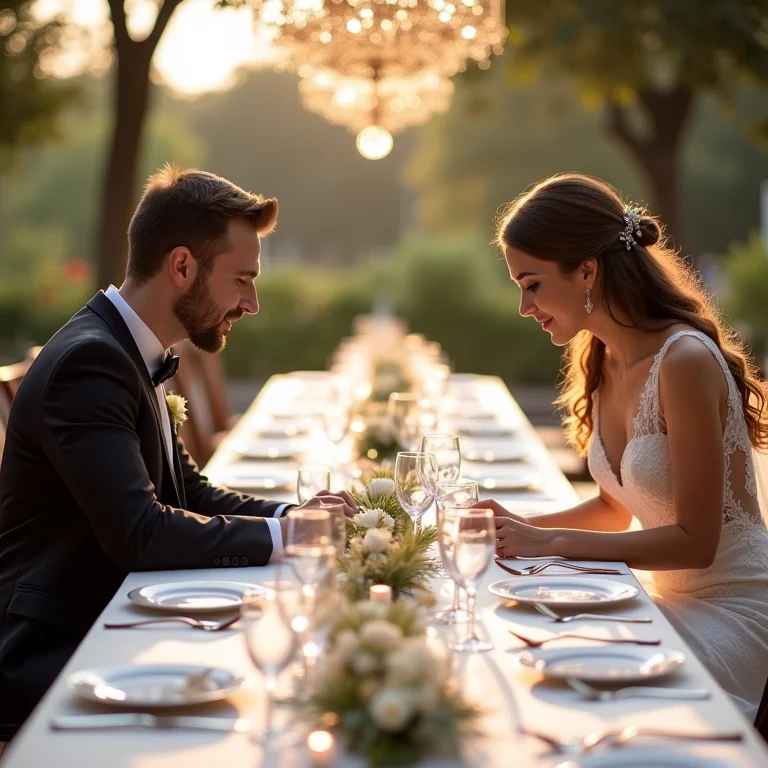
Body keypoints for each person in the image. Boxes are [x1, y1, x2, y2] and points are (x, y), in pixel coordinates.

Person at [0, 166, 355, 739]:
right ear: (182, 266)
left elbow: (187, 492)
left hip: (115, 617)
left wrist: (295, 517)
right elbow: (139, 532)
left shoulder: (129, 347)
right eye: (243, 279)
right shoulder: (90, 364)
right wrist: (293, 540)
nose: (253, 302)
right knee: (265, 686)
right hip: (56, 647)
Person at [483, 172, 768, 720]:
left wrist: (545, 542)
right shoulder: (599, 357)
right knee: (536, 644)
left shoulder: (683, 361)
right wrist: (513, 528)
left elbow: (695, 543)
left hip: (735, 613)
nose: (524, 306)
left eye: (532, 283)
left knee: (566, 671)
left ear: (586, 270)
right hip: (672, 604)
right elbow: (615, 511)